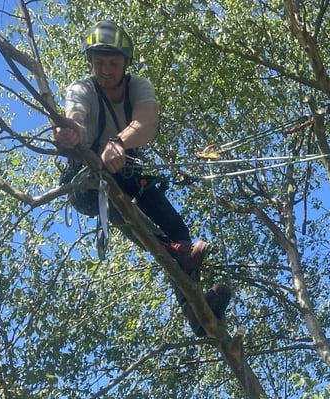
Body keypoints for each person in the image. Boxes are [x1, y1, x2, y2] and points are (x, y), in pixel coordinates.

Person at [53, 20, 230, 332]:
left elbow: (147, 123)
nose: (105, 69)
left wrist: (118, 143)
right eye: (99, 62)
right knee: (124, 205)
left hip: (126, 170)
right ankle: (171, 252)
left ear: (125, 63)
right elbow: (75, 118)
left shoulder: (139, 87)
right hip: (87, 181)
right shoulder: (82, 89)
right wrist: (68, 135)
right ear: (90, 62)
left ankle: (197, 314)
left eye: (112, 62)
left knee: (177, 226)